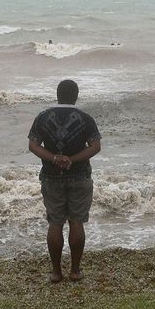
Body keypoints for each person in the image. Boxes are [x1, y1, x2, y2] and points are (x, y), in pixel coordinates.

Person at [28, 79, 101, 283]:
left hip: (51, 176)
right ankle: (75, 271)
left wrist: (53, 158)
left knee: (55, 223)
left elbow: (33, 145)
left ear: (57, 94)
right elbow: (95, 147)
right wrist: (72, 159)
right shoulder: (86, 119)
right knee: (77, 222)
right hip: (80, 175)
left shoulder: (42, 117)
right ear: (76, 96)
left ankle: (56, 272)